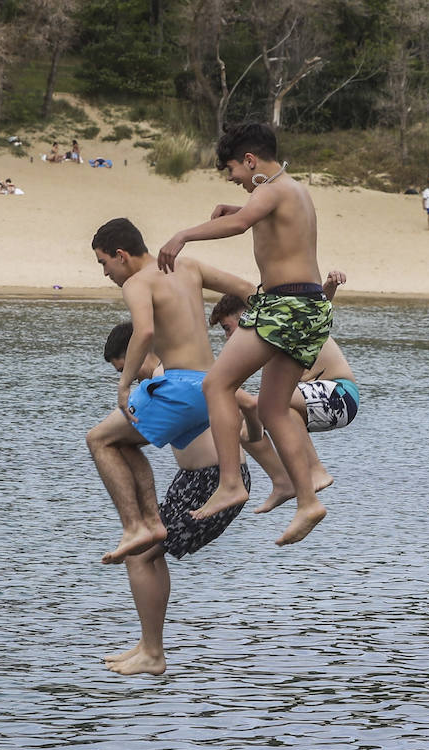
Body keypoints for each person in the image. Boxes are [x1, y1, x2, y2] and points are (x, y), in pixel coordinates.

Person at [154, 122, 330, 545]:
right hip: (309, 307)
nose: (233, 180)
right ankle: (304, 496)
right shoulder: (293, 190)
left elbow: (243, 224)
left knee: (216, 384)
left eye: (232, 170)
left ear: (251, 161)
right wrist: (237, 210)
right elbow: (267, 224)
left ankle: (230, 483)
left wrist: (184, 235)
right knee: (271, 409)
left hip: (284, 307)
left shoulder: (268, 190)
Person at [89, 217, 257, 564]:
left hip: (180, 386)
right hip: (209, 388)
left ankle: (137, 525)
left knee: (98, 440)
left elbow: (145, 332)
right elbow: (248, 289)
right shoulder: (189, 265)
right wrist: (249, 343)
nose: (106, 272)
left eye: (104, 263)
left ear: (121, 254)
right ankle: (151, 521)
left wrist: (124, 386)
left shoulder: (136, 283)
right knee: (121, 442)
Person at [100, 321, 251, 676]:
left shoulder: (169, 377)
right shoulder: (174, 377)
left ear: (137, 352)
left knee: (140, 554)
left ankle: (153, 651)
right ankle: (148, 644)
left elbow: (241, 400)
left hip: (210, 482)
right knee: (147, 553)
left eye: (127, 369)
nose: (132, 379)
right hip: (194, 480)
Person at [207, 270, 356, 514]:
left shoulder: (283, 327)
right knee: (246, 428)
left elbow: (316, 307)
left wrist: (329, 286)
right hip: (315, 401)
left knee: (273, 404)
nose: (227, 337)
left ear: (246, 315)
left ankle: (316, 469)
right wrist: (251, 434)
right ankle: (282, 482)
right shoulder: (267, 342)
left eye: (227, 327)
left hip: (340, 395)